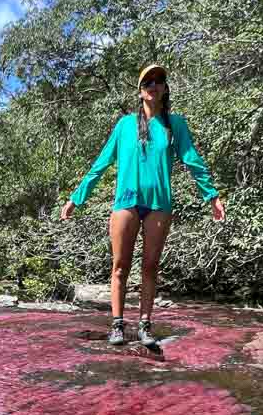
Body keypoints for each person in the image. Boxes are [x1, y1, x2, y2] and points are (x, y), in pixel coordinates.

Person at [60, 64, 225, 346]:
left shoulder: (175, 125)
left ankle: (145, 325)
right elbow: (101, 163)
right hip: (126, 202)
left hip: (159, 204)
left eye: (159, 80)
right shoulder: (125, 125)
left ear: (164, 88)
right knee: (120, 266)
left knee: (150, 266)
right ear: (140, 91)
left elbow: (192, 160)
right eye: (148, 81)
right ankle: (117, 325)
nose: (153, 84)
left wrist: (211, 195)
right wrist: (77, 197)